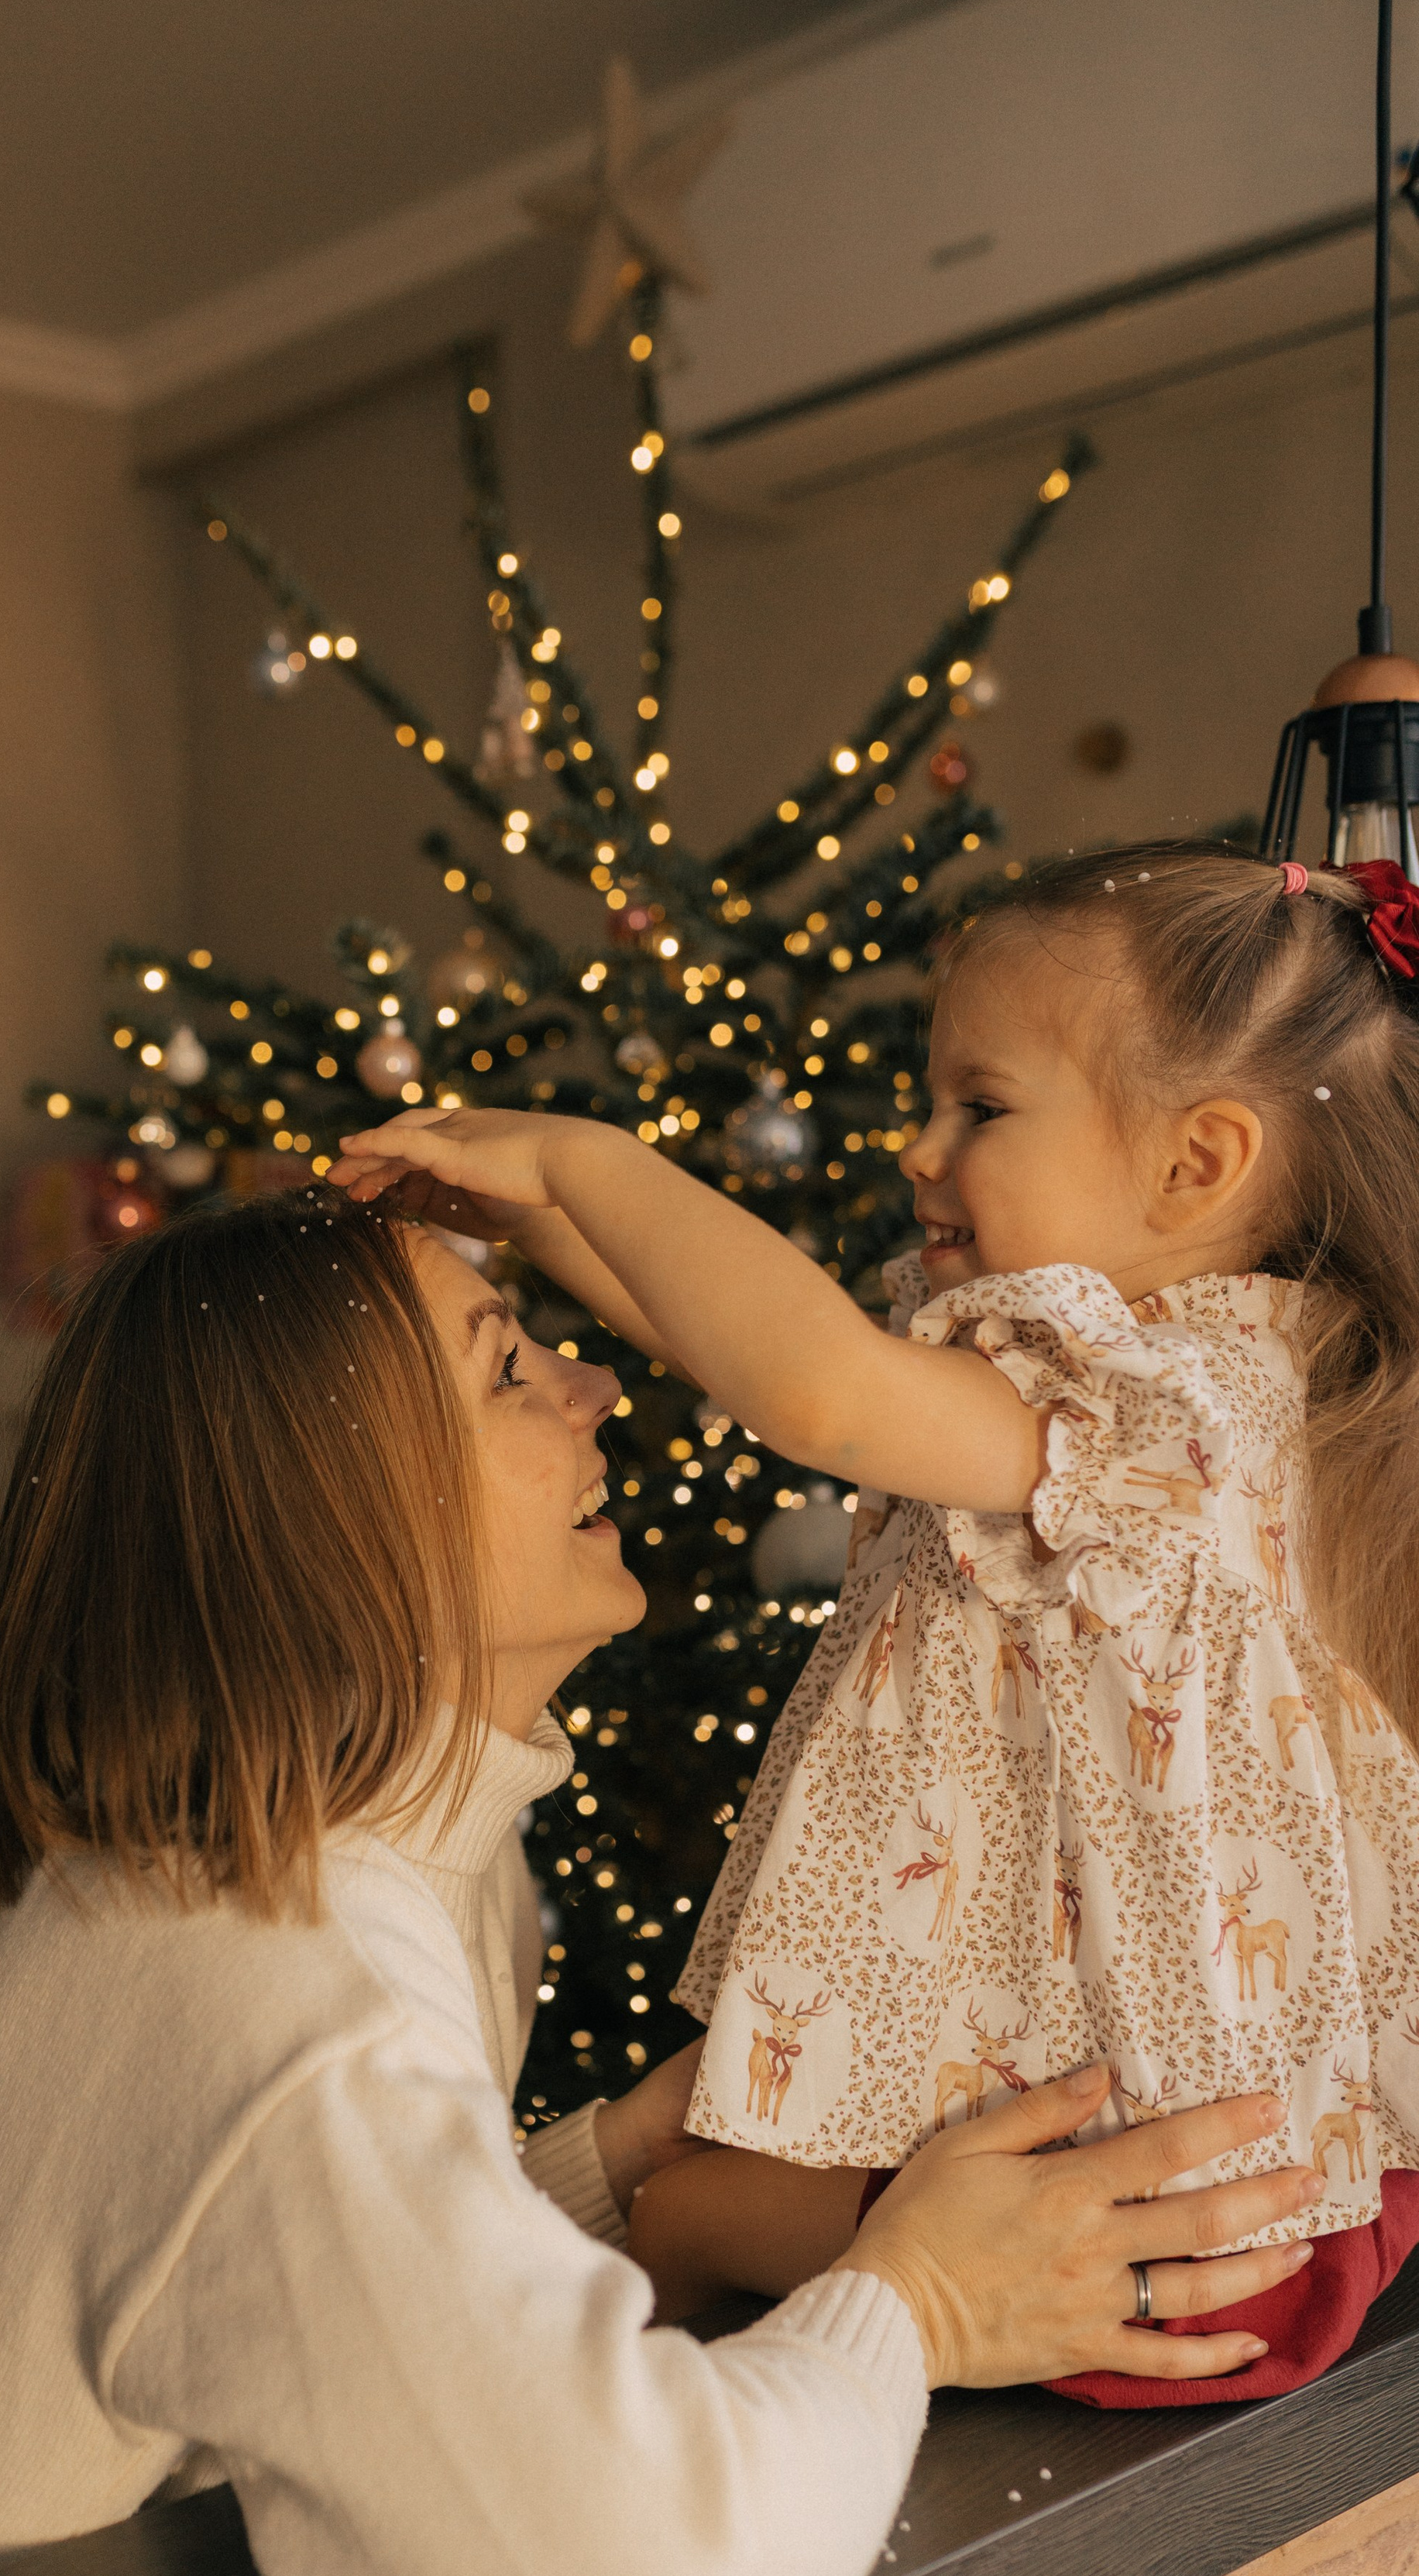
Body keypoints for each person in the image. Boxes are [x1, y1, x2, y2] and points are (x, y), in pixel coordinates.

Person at [0, 1187, 1315, 2576]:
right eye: (502, 1368)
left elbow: (261, 2306)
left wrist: (608, 2161)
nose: (594, 1394)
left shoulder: (335, 1864)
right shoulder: (270, 1965)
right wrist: (914, 2308)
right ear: (320, 1502)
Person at [334, 844, 1419, 2408]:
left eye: (979, 1108)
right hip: (1216, 2158)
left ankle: (652, 2255)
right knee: (722, 2184)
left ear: (1196, 1166)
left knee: (696, 2207)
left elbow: (814, 1386)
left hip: (1162, 2203)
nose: (919, 1149)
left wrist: (582, 1164)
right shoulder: (1214, 1364)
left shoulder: (1165, 1401)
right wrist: (532, 1227)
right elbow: (768, 1353)